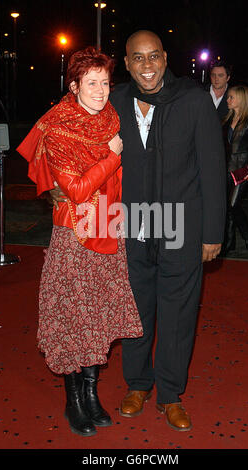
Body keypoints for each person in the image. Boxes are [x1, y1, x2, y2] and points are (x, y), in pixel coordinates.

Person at [50, 30, 227, 432]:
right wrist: (57, 183)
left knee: (179, 313)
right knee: (134, 310)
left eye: (153, 57)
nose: (147, 65)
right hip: (128, 223)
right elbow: (66, 125)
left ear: (165, 58)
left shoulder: (194, 101)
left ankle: (170, 393)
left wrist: (213, 233)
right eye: (137, 58)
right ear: (126, 64)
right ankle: (138, 385)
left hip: (181, 224)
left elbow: (214, 170)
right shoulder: (113, 100)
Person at [16, 47, 143, 437]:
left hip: (108, 227)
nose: (101, 91)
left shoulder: (110, 117)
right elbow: (75, 188)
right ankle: (74, 400)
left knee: (98, 315)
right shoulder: (58, 125)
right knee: (73, 317)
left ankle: (92, 394)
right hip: (75, 234)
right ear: (73, 86)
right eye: (91, 83)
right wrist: (111, 156)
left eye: (105, 83)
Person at [221, 85, 248, 254]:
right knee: (228, 207)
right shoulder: (227, 120)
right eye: (228, 97)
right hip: (226, 169)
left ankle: (240, 238)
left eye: (231, 97)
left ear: (241, 100)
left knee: (232, 205)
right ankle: (234, 241)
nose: (227, 100)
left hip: (242, 170)